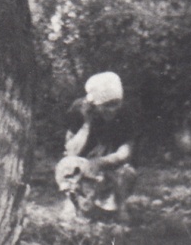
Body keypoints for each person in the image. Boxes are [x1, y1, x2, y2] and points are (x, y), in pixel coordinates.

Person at [55, 71, 138, 223]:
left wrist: (100, 162)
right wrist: (87, 123)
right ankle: (72, 204)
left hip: (111, 165)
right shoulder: (79, 110)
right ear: (94, 104)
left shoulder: (126, 113)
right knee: (67, 165)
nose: (112, 109)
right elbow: (71, 151)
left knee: (127, 172)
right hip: (84, 166)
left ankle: (121, 208)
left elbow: (125, 152)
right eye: (106, 105)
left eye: (115, 104)